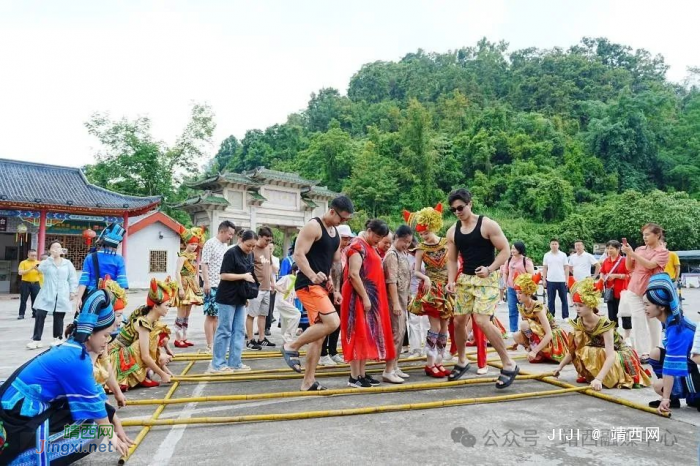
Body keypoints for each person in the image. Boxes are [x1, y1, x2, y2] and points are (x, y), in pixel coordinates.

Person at [0, 289, 132, 464]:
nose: (107, 342)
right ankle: (26, 459)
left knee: (96, 417)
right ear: (91, 333)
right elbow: (96, 407)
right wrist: (113, 438)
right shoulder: (76, 360)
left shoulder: (75, 349)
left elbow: (94, 392)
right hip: (17, 412)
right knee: (94, 431)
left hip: (23, 403)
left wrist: (116, 423)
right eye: (106, 336)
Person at [446, 188, 518, 388]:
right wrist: (451, 280)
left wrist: (490, 268)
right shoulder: (453, 231)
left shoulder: (487, 225)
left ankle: (509, 363)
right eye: (453, 210)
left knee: (481, 320)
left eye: (460, 207)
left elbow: (504, 250)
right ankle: (462, 360)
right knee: (459, 320)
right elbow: (451, 259)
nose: (458, 212)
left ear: (470, 204)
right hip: (466, 279)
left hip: (487, 278)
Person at [281, 195, 354, 391]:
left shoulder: (335, 234)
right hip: (308, 285)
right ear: (332, 211)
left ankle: (308, 381)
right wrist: (313, 275)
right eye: (342, 218)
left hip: (322, 286)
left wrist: (336, 287)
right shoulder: (313, 226)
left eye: (347, 220)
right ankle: (291, 346)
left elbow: (335, 262)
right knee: (332, 322)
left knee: (319, 335)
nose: (343, 222)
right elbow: (298, 254)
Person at [553, 278, 651, 391]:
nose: (577, 309)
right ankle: (591, 374)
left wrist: (599, 379)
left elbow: (611, 355)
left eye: (580, 305)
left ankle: (602, 376)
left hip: (617, 352)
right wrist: (559, 368)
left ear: (590, 304)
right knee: (583, 349)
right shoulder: (579, 323)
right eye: (575, 305)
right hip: (600, 352)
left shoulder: (604, 324)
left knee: (593, 350)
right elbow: (573, 350)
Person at [342, 219, 395, 388]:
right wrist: (365, 297)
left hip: (370, 296)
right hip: (358, 296)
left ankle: (361, 373)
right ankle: (354, 376)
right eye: (377, 236)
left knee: (365, 334)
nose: (378, 241)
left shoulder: (368, 246)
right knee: (358, 333)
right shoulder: (357, 246)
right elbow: (354, 274)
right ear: (369, 230)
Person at [405, 203, 453, 378]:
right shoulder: (421, 249)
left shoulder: (447, 243)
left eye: (426, 232)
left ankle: (439, 362)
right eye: (421, 234)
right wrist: (425, 278)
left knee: (444, 327)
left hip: (447, 288)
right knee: (435, 326)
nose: (424, 236)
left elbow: (452, 264)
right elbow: (416, 270)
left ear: (433, 227)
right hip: (431, 289)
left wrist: (453, 282)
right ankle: (430, 363)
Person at [644, 273, 699, 413]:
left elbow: (670, 366)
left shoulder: (678, 330)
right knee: (655, 353)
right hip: (688, 366)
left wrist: (665, 398)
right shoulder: (670, 321)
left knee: (659, 386)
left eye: (647, 304)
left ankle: (679, 397)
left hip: (694, 369)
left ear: (662, 307)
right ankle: (676, 397)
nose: (644, 308)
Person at [109, 278, 178, 389]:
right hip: (114, 357)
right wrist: (162, 374)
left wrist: (167, 372)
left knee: (153, 341)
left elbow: (154, 350)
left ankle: (145, 374)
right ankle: (142, 377)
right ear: (155, 306)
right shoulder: (143, 323)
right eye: (166, 305)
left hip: (124, 353)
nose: (168, 308)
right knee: (141, 345)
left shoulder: (152, 321)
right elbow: (145, 356)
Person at [209, 230, 259, 374]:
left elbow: (250, 276)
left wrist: (247, 296)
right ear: (241, 240)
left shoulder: (249, 255)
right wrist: (243, 276)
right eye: (248, 245)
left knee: (239, 330)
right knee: (224, 330)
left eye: (253, 246)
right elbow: (224, 275)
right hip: (226, 297)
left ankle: (235, 362)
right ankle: (217, 364)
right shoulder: (231, 253)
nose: (250, 249)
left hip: (240, 297)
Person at [620, 223, 669, 363]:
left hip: (652, 290)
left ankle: (656, 349)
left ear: (657, 235)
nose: (644, 237)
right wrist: (629, 255)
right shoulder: (639, 249)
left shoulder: (663, 252)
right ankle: (643, 353)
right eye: (643, 235)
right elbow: (629, 267)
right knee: (637, 319)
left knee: (653, 320)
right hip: (635, 288)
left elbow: (650, 265)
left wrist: (632, 253)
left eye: (647, 234)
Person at [28, 241, 78, 349]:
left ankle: (58, 338)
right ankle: (36, 340)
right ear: (50, 250)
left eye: (58, 247)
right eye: (54, 247)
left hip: (62, 293)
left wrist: (73, 291)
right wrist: (51, 257)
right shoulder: (47, 262)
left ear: (62, 250)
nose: (56, 249)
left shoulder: (67, 263)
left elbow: (72, 278)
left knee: (59, 316)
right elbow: (41, 269)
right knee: (40, 314)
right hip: (47, 292)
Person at [512, 273, 569, 363]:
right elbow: (527, 330)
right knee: (516, 335)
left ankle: (537, 351)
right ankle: (535, 350)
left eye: (520, 293)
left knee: (524, 324)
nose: (517, 296)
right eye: (516, 293)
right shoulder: (523, 307)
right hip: (538, 333)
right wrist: (519, 341)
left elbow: (549, 333)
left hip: (553, 335)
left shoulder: (538, 307)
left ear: (528, 292)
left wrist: (534, 351)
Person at [382, 225, 413, 383]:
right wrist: (395, 304)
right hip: (394, 300)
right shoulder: (392, 255)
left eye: (409, 242)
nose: (407, 245)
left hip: (402, 298)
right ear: (396, 238)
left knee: (401, 334)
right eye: (404, 241)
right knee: (395, 334)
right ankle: (388, 369)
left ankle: (394, 365)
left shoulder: (403, 253)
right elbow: (391, 281)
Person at [320, 224, 354, 366]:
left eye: (348, 239)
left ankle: (333, 351)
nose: (346, 242)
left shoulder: (344, 253)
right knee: (327, 322)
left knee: (338, 322)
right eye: (344, 238)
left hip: (340, 292)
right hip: (327, 290)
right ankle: (323, 353)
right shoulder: (329, 251)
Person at [201, 220, 236, 354]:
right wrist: (206, 282)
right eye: (229, 234)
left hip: (223, 285)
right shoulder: (210, 243)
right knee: (211, 316)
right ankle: (210, 344)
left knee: (218, 316)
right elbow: (204, 263)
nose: (230, 237)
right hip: (212, 284)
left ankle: (217, 344)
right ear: (222, 231)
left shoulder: (225, 246)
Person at [76, 222, 128, 311]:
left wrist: (79, 298)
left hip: (91, 296)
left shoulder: (90, 257)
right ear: (117, 244)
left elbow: (84, 279)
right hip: (111, 297)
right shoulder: (119, 259)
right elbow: (122, 283)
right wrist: (122, 300)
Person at [172, 226, 206, 348]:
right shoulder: (182, 257)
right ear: (186, 244)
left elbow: (196, 274)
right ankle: (177, 338)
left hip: (192, 287)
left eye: (196, 244)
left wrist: (198, 287)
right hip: (184, 286)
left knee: (187, 315)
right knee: (181, 314)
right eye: (191, 244)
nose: (194, 246)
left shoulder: (194, 258)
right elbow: (177, 273)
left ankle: (184, 337)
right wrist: (180, 288)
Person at [246, 227, 274, 349]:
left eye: (270, 240)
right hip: (256, 288)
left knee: (263, 314)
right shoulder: (252, 250)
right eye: (266, 240)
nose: (268, 242)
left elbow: (270, 266)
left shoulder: (268, 248)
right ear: (260, 237)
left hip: (267, 287)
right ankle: (250, 339)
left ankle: (262, 338)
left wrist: (273, 282)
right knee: (252, 314)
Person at [599, 240, 631, 338]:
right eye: (608, 248)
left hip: (622, 291)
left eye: (612, 248)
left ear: (618, 249)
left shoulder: (624, 260)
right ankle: (614, 335)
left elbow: (629, 275)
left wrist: (617, 276)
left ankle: (627, 336)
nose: (609, 250)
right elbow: (602, 271)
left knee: (625, 313)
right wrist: (601, 278)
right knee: (612, 314)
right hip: (610, 291)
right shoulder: (606, 261)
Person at [502, 241, 535, 334]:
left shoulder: (526, 260)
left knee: (525, 310)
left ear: (520, 249)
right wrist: (505, 282)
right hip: (511, 288)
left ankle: (527, 329)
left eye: (514, 248)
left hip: (523, 290)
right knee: (512, 309)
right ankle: (513, 330)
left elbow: (532, 275)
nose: (512, 250)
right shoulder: (509, 260)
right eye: (511, 248)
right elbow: (505, 272)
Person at [406, 243, 429, 357]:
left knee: (426, 321)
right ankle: (415, 349)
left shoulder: (426, 257)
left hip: (426, 293)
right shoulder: (406, 258)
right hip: (413, 293)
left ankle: (427, 348)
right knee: (413, 321)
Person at [273, 264, 302, 343]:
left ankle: (285, 344)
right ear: (293, 271)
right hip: (282, 301)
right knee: (297, 314)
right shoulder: (286, 277)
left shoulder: (297, 281)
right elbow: (275, 285)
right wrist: (283, 291)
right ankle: (288, 337)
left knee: (285, 322)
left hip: (288, 303)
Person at [542, 238, 570, 319]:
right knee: (551, 300)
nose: (554, 245)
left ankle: (565, 316)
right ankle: (551, 316)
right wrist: (544, 279)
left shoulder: (563, 255)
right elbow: (545, 268)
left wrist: (567, 279)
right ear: (550, 245)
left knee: (564, 299)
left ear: (558, 245)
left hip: (561, 280)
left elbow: (566, 268)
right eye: (552, 244)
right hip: (550, 280)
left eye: (555, 244)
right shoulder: (546, 255)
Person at [17, 249, 41, 319]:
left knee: (35, 299)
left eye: (35, 255)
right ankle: (21, 314)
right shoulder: (23, 263)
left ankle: (35, 313)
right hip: (25, 283)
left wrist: (37, 269)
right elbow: (20, 272)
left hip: (36, 283)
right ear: (28, 255)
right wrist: (31, 268)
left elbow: (43, 272)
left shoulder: (39, 262)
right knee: (23, 299)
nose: (34, 257)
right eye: (32, 255)